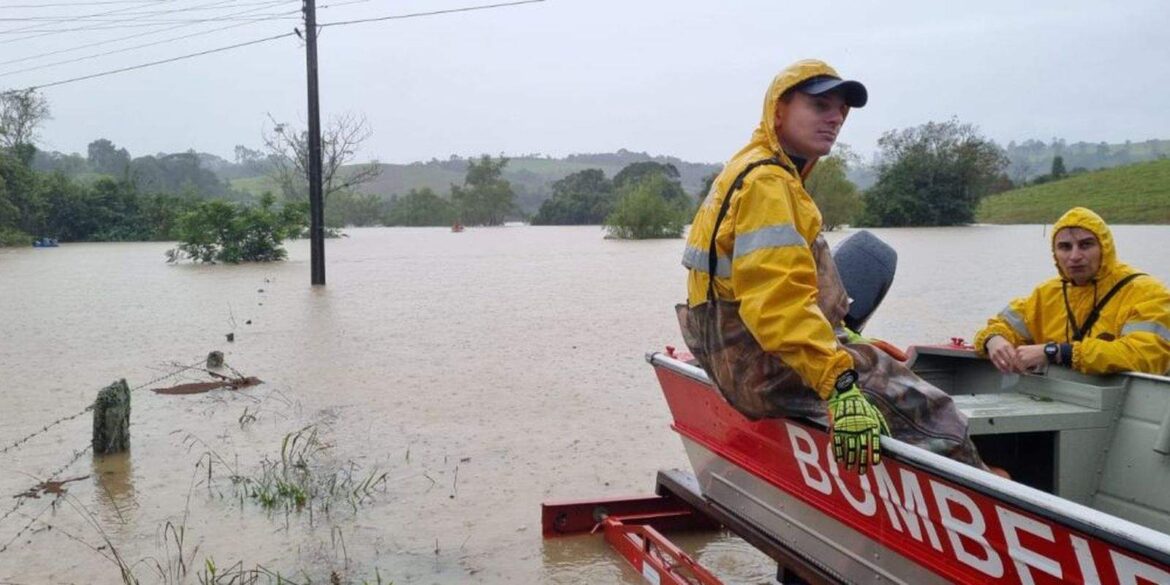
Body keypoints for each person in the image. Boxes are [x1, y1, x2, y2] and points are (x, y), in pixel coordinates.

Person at [676, 59, 986, 475]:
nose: (835, 118)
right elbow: (778, 305)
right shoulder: (769, 184)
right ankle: (992, 492)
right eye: (819, 105)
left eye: (841, 109)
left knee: (878, 360)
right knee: (935, 414)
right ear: (779, 110)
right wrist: (839, 384)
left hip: (739, 355)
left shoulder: (752, 167)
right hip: (766, 366)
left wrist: (848, 340)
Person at [975, 207, 1170, 376]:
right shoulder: (1046, 294)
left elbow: (1145, 355)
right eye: (1065, 247)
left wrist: (1056, 352)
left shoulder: (1147, 292)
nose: (1075, 256)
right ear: (1055, 253)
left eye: (1086, 245)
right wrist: (994, 340)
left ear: (1105, 248)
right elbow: (999, 326)